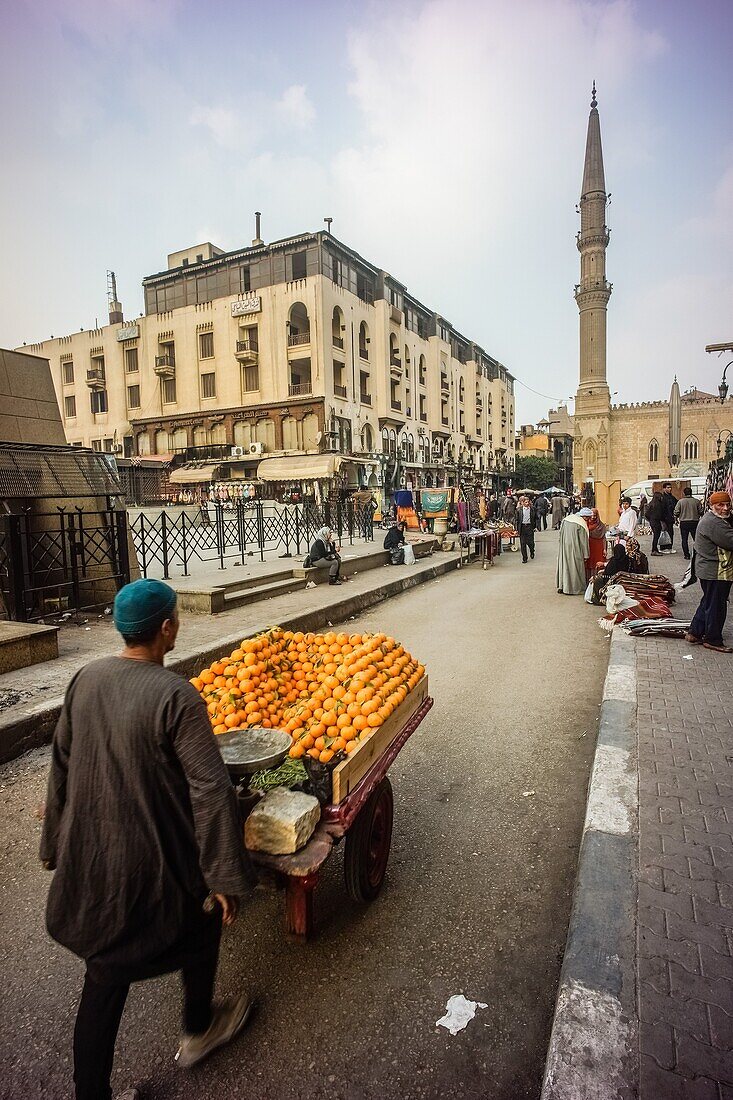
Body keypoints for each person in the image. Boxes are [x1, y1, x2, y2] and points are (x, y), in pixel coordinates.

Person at [40, 579, 256, 1100]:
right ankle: (199, 1027)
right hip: (155, 864)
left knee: (104, 974)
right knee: (204, 922)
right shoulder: (177, 698)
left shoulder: (85, 679)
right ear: (166, 629)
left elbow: (61, 767)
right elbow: (210, 790)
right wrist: (224, 876)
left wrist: (54, 846)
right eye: (176, 618)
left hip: (95, 858)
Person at [686, 491, 733, 653]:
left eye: (728, 504)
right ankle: (713, 639)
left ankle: (696, 631)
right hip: (717, 571)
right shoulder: (714, 523)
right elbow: (730, 541)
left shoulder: (712, 519)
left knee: (709, 601)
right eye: (721, 505)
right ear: (712, 506)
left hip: (709, 570)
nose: (725, 508)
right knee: (717, 606)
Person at [557, 511, 590, 594]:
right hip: (575, 549)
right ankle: (574, 588)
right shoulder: (581, 523)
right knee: (575, 568)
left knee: (564, 566)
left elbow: (560, 534)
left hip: (564, 547)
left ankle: (562, 586)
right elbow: (583, 541)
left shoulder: (566, 519)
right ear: (585, 517)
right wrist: (586, 555)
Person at [674, 487, 703, 560]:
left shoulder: (680, 502)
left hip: (684, 523)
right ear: (691, 492)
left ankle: (686, 555)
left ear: (684, 493)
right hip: (694, 522)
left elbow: (676, 512)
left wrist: (676, 518)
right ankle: (697, 554)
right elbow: (701, 511)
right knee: (696, 539)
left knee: (684, 539)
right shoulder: (696, 501)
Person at [516, 494, 537, 564]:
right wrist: (516, 529)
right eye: (525, 502)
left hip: (529, 527)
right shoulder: (519, 510)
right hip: (522, 527)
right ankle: (524, 558)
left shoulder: (533, 509)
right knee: (523, 543)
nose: (527, 503)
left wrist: (535, 526)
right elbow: (516, 520)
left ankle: (532, 551)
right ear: (522, 503)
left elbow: (536, 518)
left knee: (530, 542)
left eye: (528, 502)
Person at [646, 490, 665, 555]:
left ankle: (655, 549)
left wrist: (650, 519)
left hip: (652, 521)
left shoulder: (651, 503)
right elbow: (660, 515)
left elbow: (646, 514)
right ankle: (654, 550)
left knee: (655, 536)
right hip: (656, 522)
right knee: (656, 536)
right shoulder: (658, 505)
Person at [661, 482, 677, 549]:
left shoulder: (672, 497)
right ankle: (663, 547)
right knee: (664, 533)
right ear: (664, 489)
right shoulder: (662, 497)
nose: (669, 489)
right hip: (664, 519)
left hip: (670, 518)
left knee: (670, 533)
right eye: (668, 487)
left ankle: (670, 547)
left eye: (670, 487)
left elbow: (676, 505)